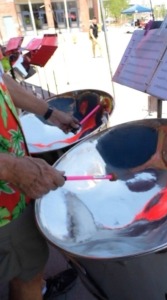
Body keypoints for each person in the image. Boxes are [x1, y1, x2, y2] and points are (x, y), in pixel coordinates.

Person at [0, 49, 80, 300]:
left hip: (13, 185)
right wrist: (11, 168)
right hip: (3, 205)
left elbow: (3, 81)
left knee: (28, 267)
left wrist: (49, 112)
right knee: (27, 268)